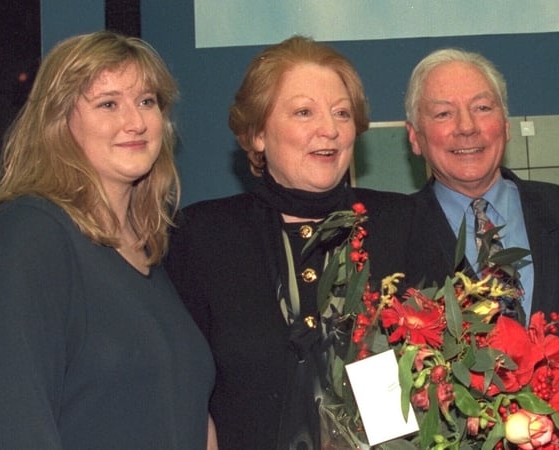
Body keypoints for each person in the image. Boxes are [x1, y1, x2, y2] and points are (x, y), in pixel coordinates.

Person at [165, 35, 412, 449]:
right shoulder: (201, 238)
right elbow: (180, 392)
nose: (329, 130)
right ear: (258, 133)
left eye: (342, 113)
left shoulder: (403, 224)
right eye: (303, 112)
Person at [0, 31, 215, 449]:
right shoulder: (29, 234)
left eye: (147, 101)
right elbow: (15, 419)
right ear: (59, 121)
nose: (135, 122)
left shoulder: (152, 254)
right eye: (108, 104)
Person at [403, 48, 559, 344]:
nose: (467, 127)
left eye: (482, 108)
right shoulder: (393, 236)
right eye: (443, 113)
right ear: (414, 136)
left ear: (506, 125)